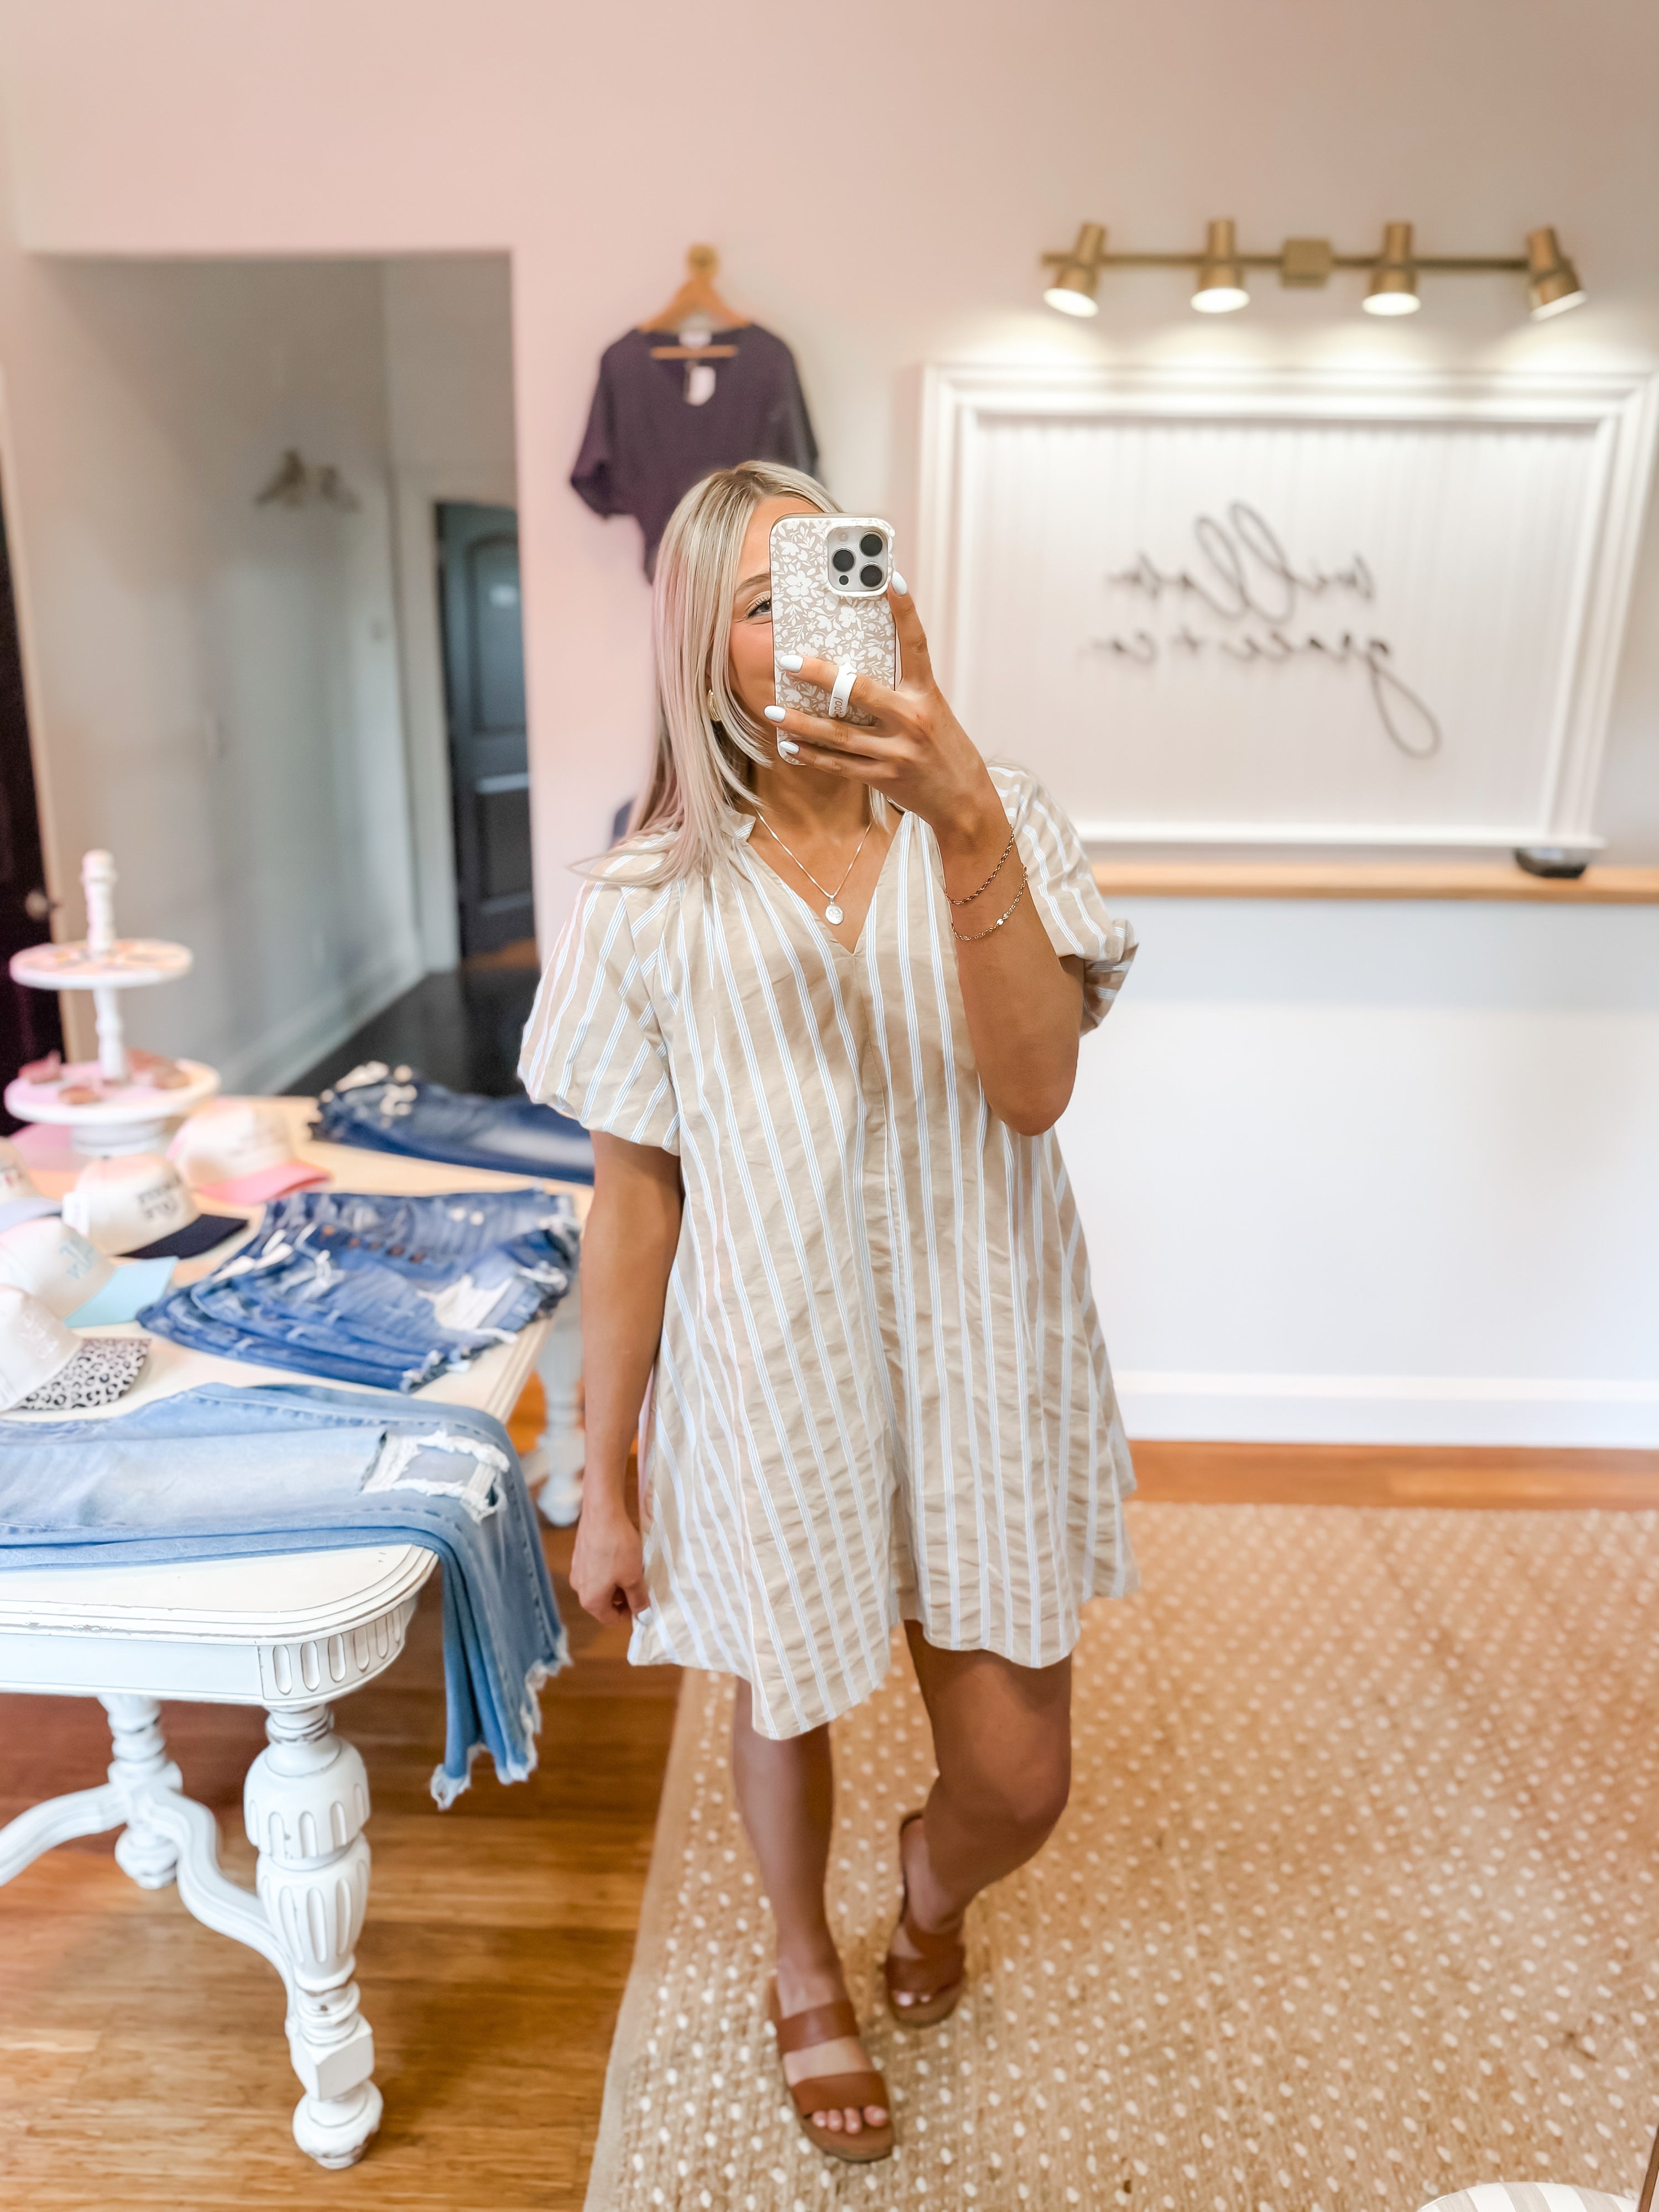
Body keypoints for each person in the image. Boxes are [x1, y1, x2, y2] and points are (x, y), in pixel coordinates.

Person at [520, 460, 1138, 2166]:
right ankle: (805, 1963)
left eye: (835, 580)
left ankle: (929, 1888)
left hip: (985, 1365)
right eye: (761, 601)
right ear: (698, 646)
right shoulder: (644, 900)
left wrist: (963, 815)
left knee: (1020, 1782)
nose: (808, 626)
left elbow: (1034, 1093)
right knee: (781, 1694)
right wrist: (608, 1477)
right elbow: (633, 1203)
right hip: (771, 1379)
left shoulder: (998, 812)